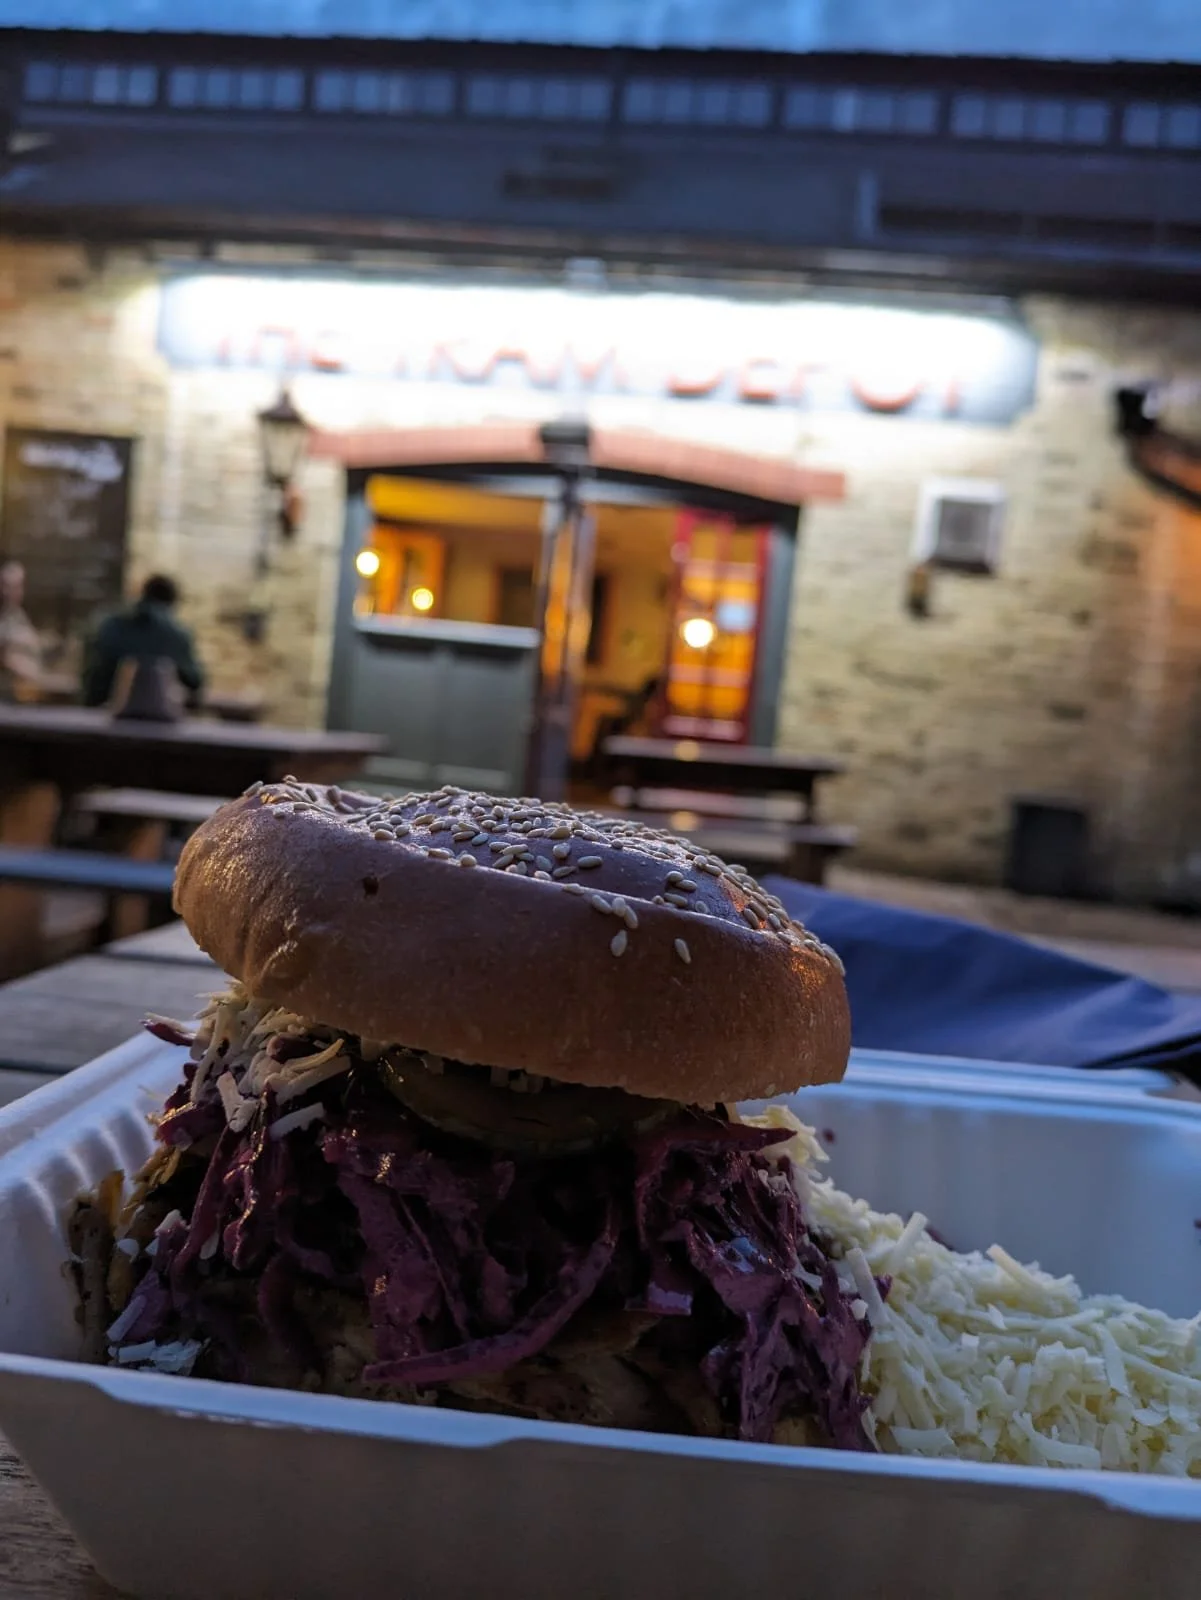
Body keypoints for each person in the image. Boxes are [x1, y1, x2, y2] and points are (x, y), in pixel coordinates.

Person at [82, 574, 206, 710]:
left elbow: (91, 667)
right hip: (155, 713)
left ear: (143, 593)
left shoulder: (110, 624)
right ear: (172, 601)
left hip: (101, 706)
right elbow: (194, 681)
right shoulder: (177, 633)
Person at [0, 559, 43, 702]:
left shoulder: (21, 618)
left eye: (17, 586)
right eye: (6, 586)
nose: (10, 592)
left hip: (22, 698)